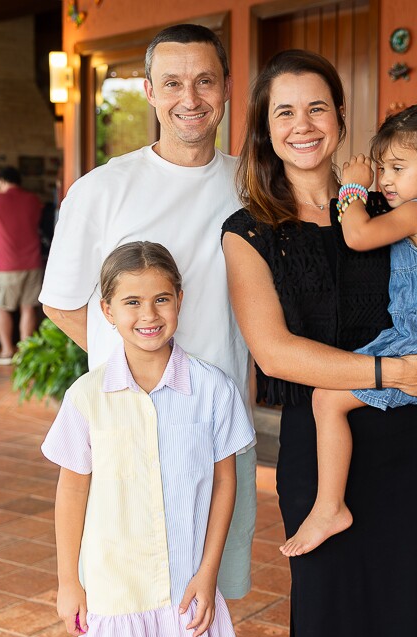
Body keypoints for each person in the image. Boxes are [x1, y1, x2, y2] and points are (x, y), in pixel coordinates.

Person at [221, 50, 417, 637]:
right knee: (330, 613)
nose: (303, 124)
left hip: (409, 438)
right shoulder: (249, 232)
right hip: (320, 450)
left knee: (410, 609)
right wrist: (393, 371)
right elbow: (274, 352)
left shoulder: (388, 204)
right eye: (284, 112)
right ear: (266, 128)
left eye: (316, 107)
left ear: (340, 116)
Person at [39, 24, 258, 600]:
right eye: (173, 83)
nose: (191, 98)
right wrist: (141, 372)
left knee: (204, 595)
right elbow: (61, 303)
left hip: (218, 426)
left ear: (227, 87)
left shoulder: (252, 187)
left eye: (205, 81)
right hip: (125, 430)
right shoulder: (101, 190)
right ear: (149, 91)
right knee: (124, 593)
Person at [280, 104, 417, 557]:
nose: (386, 179)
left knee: (326, 398)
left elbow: (356, 236)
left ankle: (329, 507)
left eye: (397, 167)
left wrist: (354, 187)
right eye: (380, 168)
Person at [42, 242, 252, 637]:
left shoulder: (213, 390)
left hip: (186, 592)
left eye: (161, 299)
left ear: (179, 300)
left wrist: (208, 574)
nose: (149, 315)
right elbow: (71, 488)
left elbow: (226, 482)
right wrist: (68, 581)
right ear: (107, 311)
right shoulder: (87, 397)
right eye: (132, 302)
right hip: (114, 593)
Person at [0, 166, 44, 366]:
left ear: (1, 181)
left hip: (8, 264)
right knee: (28, 308)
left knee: (3, 308)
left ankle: (7, 351)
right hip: (33, 262)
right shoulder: (33, 200)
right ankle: (25, 352)